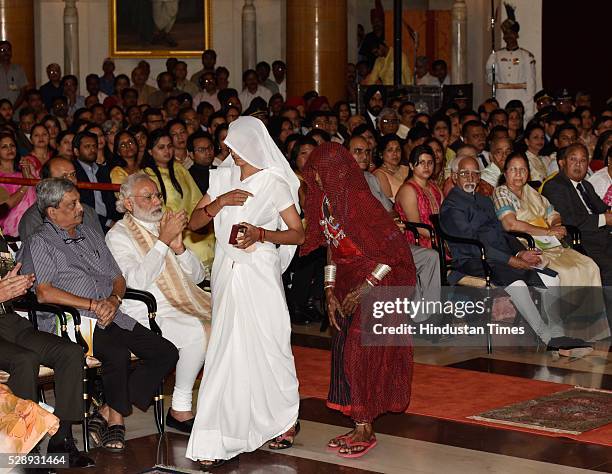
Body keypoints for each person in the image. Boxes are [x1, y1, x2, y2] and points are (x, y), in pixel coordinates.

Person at [19, 178, 179, 452]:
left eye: (79, 201)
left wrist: (114, 299)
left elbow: (118, 276)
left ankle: (106, 410)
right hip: (72, 321)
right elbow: (44, 292)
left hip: (111, 313)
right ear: (52, 212)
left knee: (165, 352)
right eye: (72, 204)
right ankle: (116, 421)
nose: (81, 208)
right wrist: (93, 304)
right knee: (115, 354)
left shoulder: (90, 233)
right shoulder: (40, 242)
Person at [185, 116, 303, 468]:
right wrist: (219, 203)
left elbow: (297, 234)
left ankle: (282, 419)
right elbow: (194, 222)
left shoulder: (275, 183)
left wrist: (262, 234)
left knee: (271, 343)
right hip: (227, 269)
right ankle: (216, 434)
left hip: (261, 271)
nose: (231, 154)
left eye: (236, 148)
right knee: (226, 348)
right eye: (229, 148)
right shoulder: (221, 177)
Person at [301, 142, 415, 457]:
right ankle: (357, 422)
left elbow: (395, 254)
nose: (316, 179)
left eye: (321, 172)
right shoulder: (325, 203)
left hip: (379, 283)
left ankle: (366, 427)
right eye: (314, 172)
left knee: (360, 353)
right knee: (343, 353)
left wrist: (365, 287)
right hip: (348, 282)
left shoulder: (361, 204)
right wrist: (328, 290)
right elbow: (332, 248)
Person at [440, 155, 589, 350]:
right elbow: (471, 245)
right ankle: (547, 338)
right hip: (474, 260)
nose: (470, 178)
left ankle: (558, 333)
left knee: (552, 278)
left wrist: (521, 253)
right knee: (517, 283)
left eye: (475, 174)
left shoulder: (484, 201)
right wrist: (509, 259)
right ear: (453, 177)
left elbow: (503, 233)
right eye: (464, 174)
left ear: (479, 177)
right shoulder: (452, 207)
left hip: (499, 257)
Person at [106, 174, 210, 433]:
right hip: (144, 311)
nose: (156, 201)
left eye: (158, 195)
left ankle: (220, 403)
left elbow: (198, 277)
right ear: (128, 204)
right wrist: (163, 241)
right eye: (148, 196)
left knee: (227, 320)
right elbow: (136, 282)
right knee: (198, 331)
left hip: (180, 303)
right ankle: (180, 408)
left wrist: (178, 248)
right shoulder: (118, 235)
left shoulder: (164, 226)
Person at [0, 245, 94, 468]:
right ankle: (24, 451)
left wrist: (16, 286)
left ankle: (61, 442)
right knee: (25, 359)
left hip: (9, 322)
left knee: (71, 352)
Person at [493, 152, 601, 286]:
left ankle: (590, 308)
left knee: (590, 265)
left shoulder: (531, 191)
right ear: (505, 173)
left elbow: (554, 214)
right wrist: (547, 231)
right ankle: (565, 307)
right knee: (565, 271)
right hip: (527, 243)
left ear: (528, 173)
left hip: (550, 241)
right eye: (513, 169)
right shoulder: (501, 192)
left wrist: (556, 226)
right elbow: (510, 224)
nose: (518, 174)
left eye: (523, 169)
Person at [141, 129, 214, 269]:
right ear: (150, 151)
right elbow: (156, 208)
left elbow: (195, 198)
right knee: (199, 246)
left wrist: (197, 222)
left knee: (212, 237)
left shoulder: (179, 168)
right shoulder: (146, 175)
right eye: (161, 147)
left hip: (192, 224)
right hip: (171, 228)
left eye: (169, 146)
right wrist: (180, 223)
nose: (167, 150)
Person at [541, 143, 612, 287]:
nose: (578, 165)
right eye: (573, 159)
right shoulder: (554, 186)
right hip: (579, 241)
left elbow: (604, 209)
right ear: (562, 163)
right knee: (609, 267)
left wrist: (608, 214)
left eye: (583, 160)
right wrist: (605, 218)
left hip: (601, 236)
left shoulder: (586, 185)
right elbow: (569, 220)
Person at [19, 156, 103, 239]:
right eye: (64, 176)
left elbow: (101, 246)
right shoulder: (33, 218)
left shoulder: (87, 212)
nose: (71, 180)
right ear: (47, 182)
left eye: (73, 174)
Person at [485, 4, 536, 118]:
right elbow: (489, 80)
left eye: (511, 33)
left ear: (516, 35)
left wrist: (529, 109)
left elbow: (531, 84)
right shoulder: (497, 55)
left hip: (520, 98)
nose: (509, 36)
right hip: (502, 97)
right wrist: (491, 66)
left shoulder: (526, 56)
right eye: (506, 34)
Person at [395, 145, 443, 249]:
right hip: (417, 240)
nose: (426, 166)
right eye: (422, 163)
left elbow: (445, 214)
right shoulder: (408, 190)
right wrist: (442, 236)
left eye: (430, 163)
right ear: (411, 166)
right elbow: (416, 226)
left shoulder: (435, 187)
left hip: (438, 236)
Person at [72, 131, 120, 232]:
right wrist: (109, 222)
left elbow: (110, 201)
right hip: (85, 224)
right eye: (87, 146)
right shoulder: (72, 173)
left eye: (94, 146)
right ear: (76, 151)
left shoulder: (103, 170)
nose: (92, 149)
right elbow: (79, 206)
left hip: (110, 224)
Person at [0, 133, 36, 236]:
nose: (10, 149)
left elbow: (41, 191)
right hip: (9, 231)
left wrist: (27, 174)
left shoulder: (22, 173)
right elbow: (6, 205)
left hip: (32, 227)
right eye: (4, 146)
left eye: (12, 145)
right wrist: (25, 184)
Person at [372, 134, 408, 202]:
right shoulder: (379, 174)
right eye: (390, 150)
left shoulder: (406, 168)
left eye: (398, 149)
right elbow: (389, 203)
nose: (395, 153)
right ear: (381, 154)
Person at [0, 41, 28, 109]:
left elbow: (23, 91)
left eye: (8, 50)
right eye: (2, 50)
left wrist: (13, 108)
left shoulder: (19, 69)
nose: (6, 52)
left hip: (17, 110)